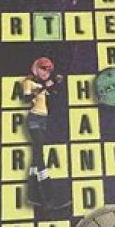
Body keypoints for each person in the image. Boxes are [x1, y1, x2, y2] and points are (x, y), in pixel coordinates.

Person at [22, 57, 71, 209]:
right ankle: (49, 196)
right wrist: (44, 87)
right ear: (35, 68)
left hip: (43, 119)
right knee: (39, 156)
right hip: (34, 119)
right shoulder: (29, 82)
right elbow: (26, 98)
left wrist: (55, 84)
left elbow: (54, 93)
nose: (45, 73)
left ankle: (32, 194)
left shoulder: (41, 84)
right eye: (43, 69)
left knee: (36, 156)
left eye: (48, 70)